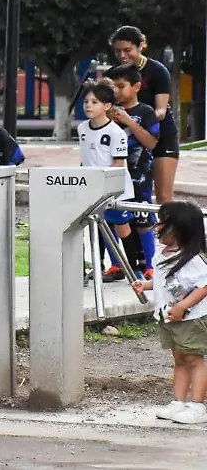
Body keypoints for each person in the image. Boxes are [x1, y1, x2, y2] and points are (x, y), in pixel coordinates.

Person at [131, 201, 207, 425]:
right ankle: (179, 401)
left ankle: (197, 405)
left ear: (179, 228)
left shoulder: (193, 258)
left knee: (194, 359)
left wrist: (183, 306)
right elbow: (165, 281)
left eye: (162, 223)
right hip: (168, 317)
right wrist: (146, 285)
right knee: (179, 359)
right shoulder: (161, 253)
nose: (157, 226)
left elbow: (204, 285)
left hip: (190, 319)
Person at [112, 26, 178, 204]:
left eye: (127, 50)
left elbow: (161, 111)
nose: (122, 55)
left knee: (164, 196)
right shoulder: (115, 73)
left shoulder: (157, 70)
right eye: (117, 51)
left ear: (141, 46)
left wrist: (136, 119)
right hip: (130, 139)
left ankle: (171, 224)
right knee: (128, 193)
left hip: (161, 135)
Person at [107, 65, 161, 278]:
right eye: (113, 87)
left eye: (121, 86)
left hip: (140, 175)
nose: (117, 91)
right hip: (114, 173)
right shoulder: (107, 111)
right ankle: (116, 264)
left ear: (136, 86)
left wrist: (128, 121)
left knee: (142, 218)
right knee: (112, 218)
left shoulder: (145, 112)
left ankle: (149, 265)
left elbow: (151, 142)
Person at [77, 81, 134, 281]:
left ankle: (133, 269)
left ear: (107, 106)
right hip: (92, 187)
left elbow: (118, 163)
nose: (88, 105)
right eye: (86, 101)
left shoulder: (116, 133)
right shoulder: (82, 128)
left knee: (122, 227)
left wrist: (107, 188)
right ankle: (99, 266)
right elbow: (86, 158)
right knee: (97, 226)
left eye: (95, 102)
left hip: (115, 189)